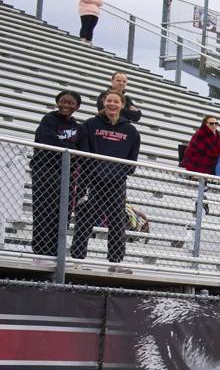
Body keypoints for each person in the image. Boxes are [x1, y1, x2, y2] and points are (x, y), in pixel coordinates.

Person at [70, 90, 140, 267]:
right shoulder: (91, 124)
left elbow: (132, 160)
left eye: (116, 101)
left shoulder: (131, 131)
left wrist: (118, 173)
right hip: (92, 181)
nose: (112, 104)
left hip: (116, 183)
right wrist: (94, 172)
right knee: (85, 220)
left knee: (117, 222)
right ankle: (77, 258)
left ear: (122, 105)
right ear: (103, 102)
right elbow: (83, 153)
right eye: (109, 101)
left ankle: (115, 261)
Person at [30, 90, 82, 256]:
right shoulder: (48, 120)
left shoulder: (78, 127)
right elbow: (48, 141)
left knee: (63, 214)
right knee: (43, 211)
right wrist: (70, 150)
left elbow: (83, 150)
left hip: (67, 174)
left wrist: (67, 149)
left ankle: (56, 251)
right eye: (63, 102)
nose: (66, 105)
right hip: (45, 172)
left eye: (70, 103)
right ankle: (40, 252)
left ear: (77, 107)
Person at [181, 116, 220, 181]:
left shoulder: (217, 134)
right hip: (198, 161)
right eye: (211, 123)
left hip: (211, 159)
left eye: (216, 123)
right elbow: (209, 151)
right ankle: (218, 181)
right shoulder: (201, 133)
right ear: (205, 124)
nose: (214, 125)